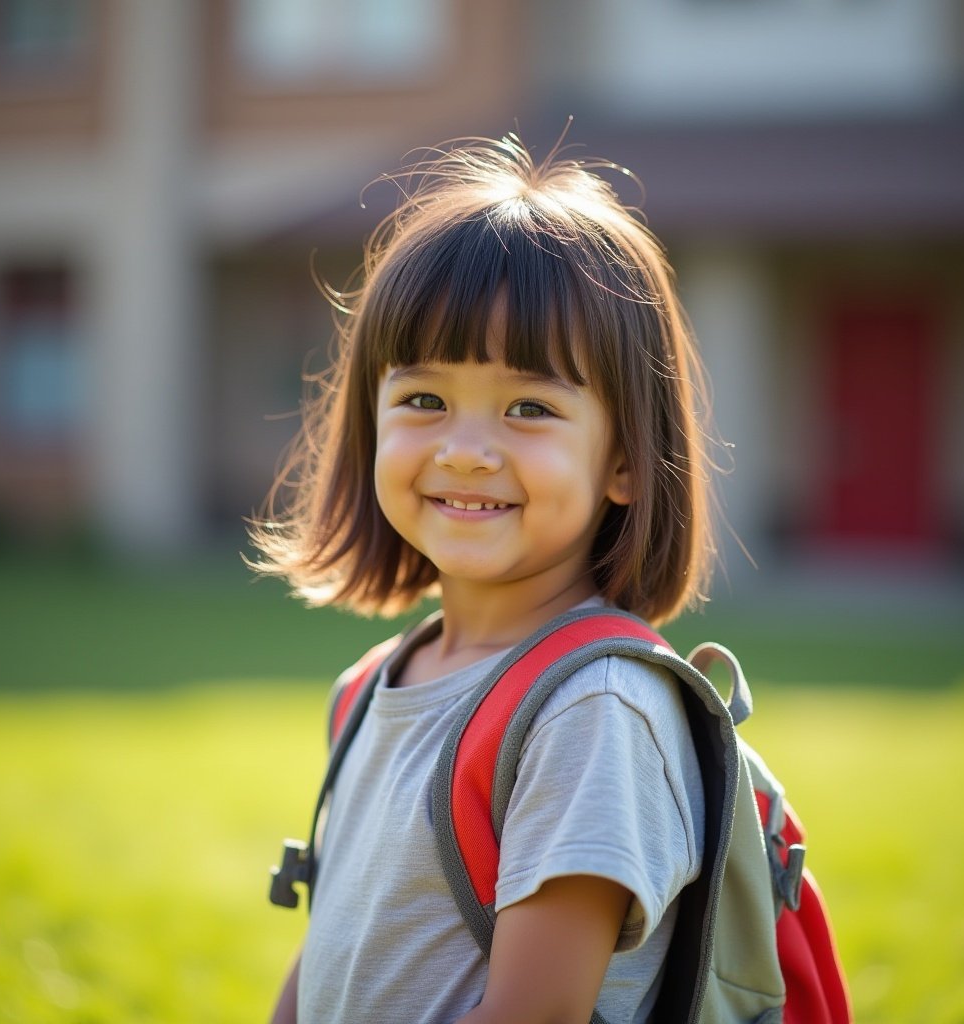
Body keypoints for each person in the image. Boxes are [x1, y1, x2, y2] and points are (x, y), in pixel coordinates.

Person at [252, 129, 720, 1024]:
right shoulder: (370, 687)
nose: (466, 451)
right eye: (424, 400)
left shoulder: (593, 712)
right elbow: (333, 953)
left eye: (529, 407)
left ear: (624, 459)